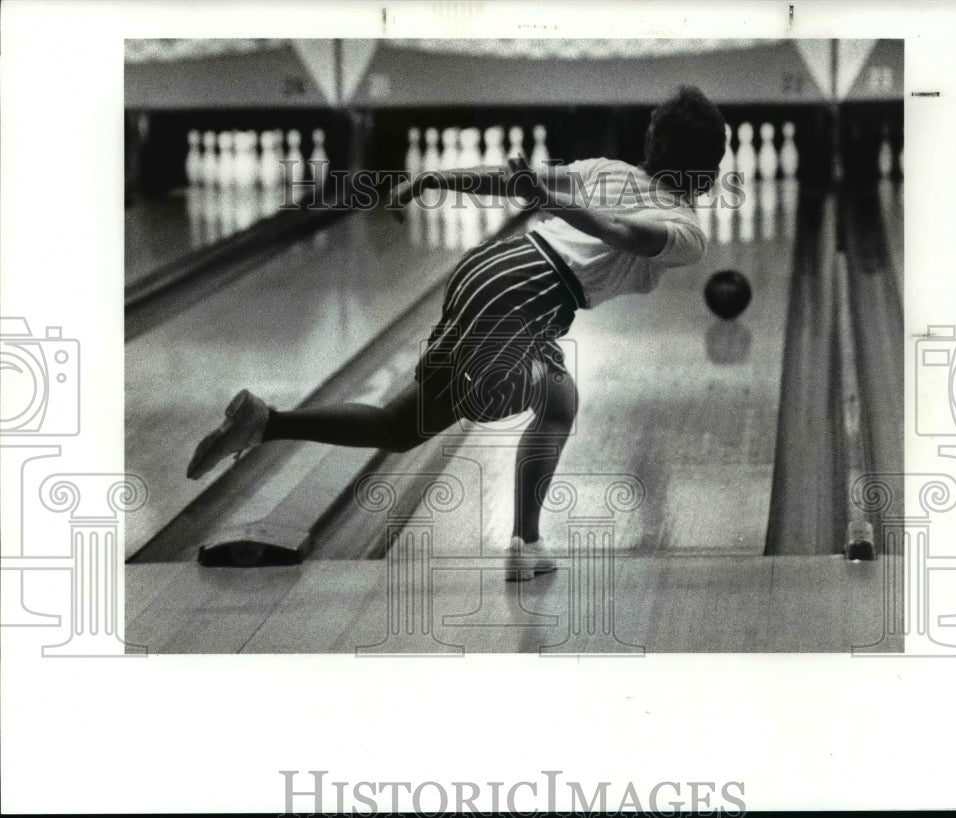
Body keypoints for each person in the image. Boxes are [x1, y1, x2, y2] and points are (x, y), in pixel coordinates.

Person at [187, 85, 726, 581]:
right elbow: (621, 231)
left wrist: (435, 179)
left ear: (652, 141)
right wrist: (469, 184)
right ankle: (525, 544)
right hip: (528, 291)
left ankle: (266, 422)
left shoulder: (609, 171)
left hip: (488, 271)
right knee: (559, 401)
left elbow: (525, 187)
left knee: (401, 427)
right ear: (709, 169)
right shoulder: (688, 234)